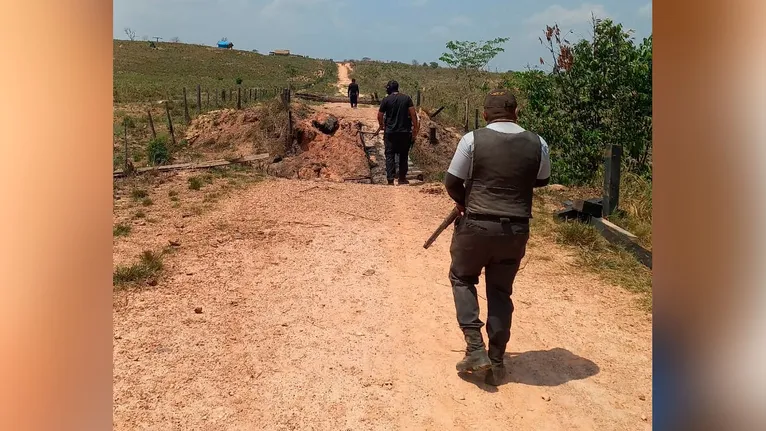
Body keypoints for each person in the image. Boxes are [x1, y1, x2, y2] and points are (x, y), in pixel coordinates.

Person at [443, 88, 551, 386]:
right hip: (515, 230)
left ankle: (475, 348)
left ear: (485, 114)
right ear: (516, 112)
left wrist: (464, 201)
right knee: (500, 291)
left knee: (463, 278)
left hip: (476, 226)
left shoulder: (472, 139)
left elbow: (452, 181)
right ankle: (498, 359)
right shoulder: (537, 142)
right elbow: (541, 180)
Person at [375, 80, 419, 185]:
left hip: (390, 132)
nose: (386, 89)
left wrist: (381, 125)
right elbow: (413, 114)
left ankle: (390, 179)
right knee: (404, 155)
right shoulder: (407, 98)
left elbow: (380, 115)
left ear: (390, 88)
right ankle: (402, 178)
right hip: (404, 131)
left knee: (389, 154)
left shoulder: (386, 100)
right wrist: (415, 128)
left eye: (387, 88)